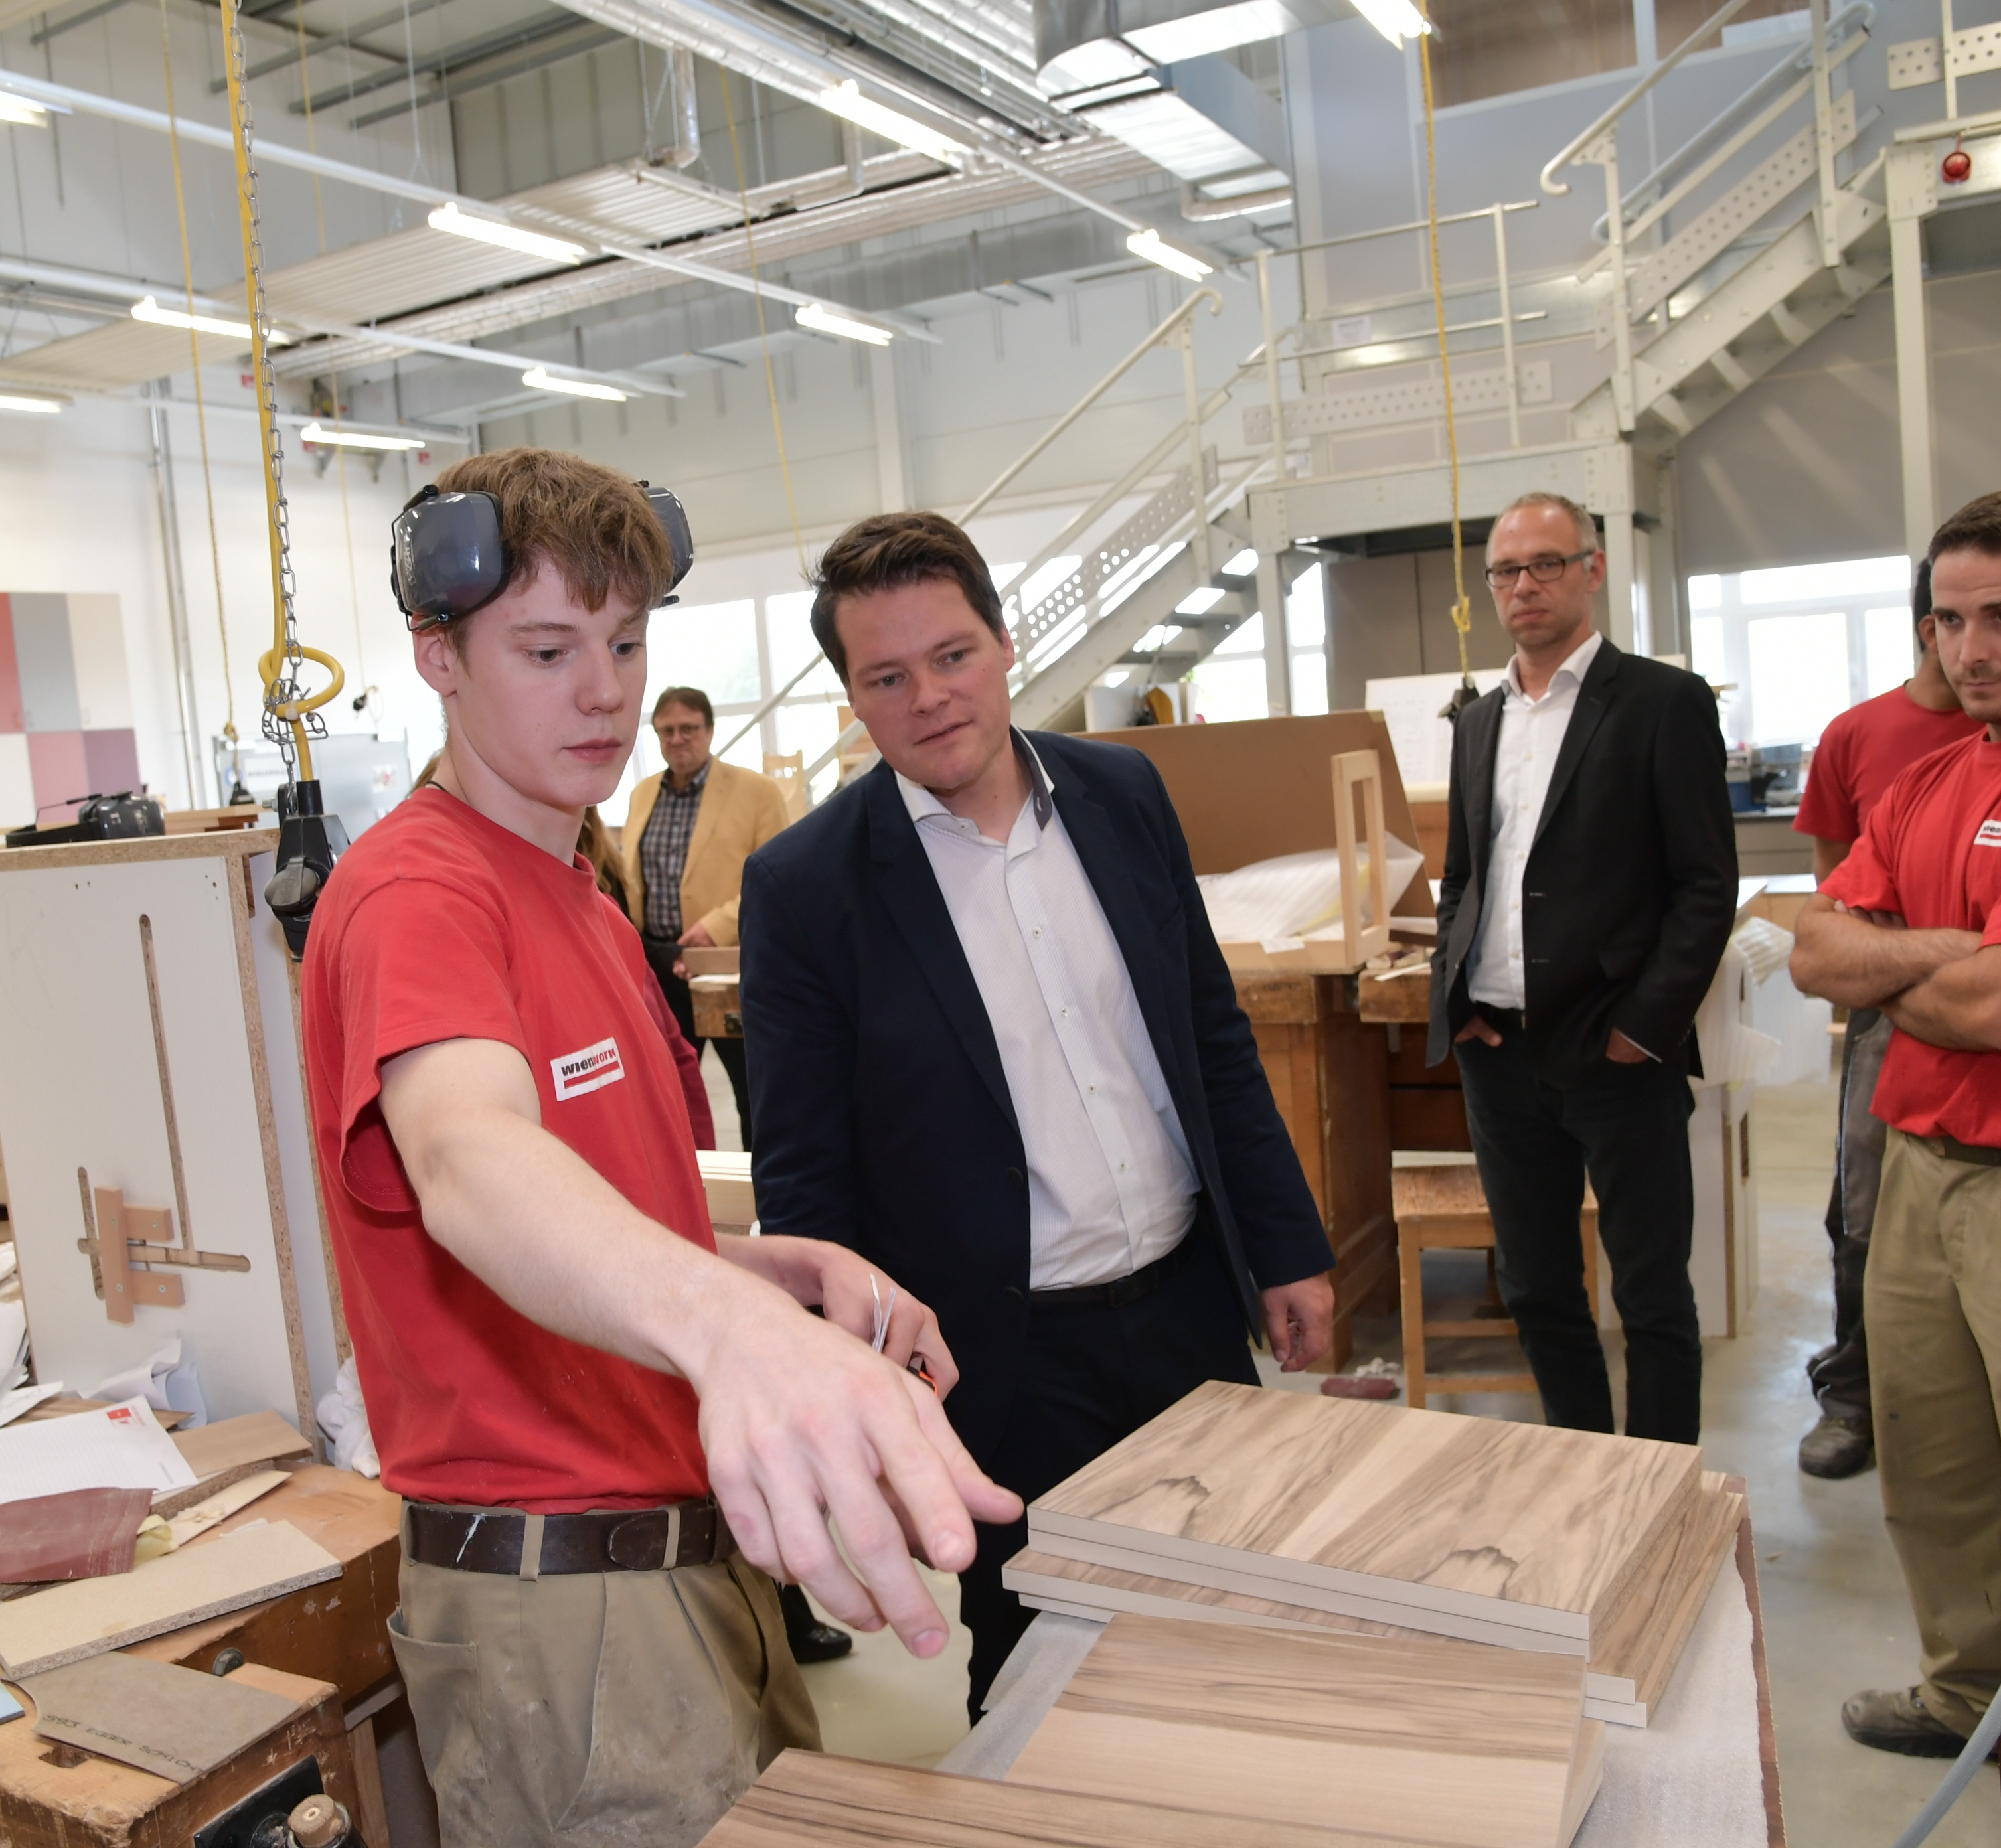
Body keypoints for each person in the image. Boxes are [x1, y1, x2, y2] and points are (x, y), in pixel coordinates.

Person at [300, 451, 1018, 1848]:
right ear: (437, 658)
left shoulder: (576, 884)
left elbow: (597, 1213)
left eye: (626, 643)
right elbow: (466, 1157)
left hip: (686, 1565)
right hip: (566, 1610)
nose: (605, 691)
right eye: (548, 649)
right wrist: (732, 1336)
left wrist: (752, 1273)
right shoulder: (418, 892)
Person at [736, 510, 1336, 1719]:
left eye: (953, 655)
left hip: (1187, 1314)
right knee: (1033, 1677)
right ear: (852, 697)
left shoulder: (1123, 794)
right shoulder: (807, 886)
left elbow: (1211, 1037)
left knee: (1223, 1635)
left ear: (1006, 645)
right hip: (1002, 1360)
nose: (930, 698)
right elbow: (803, 1173)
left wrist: (1285, 1243)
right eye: (886, 676)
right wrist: (870, 1387)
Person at [1789, 485, 2001, 1758]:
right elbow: (1814, 952)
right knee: (1933, 1455)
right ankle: (1967, 1689)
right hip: (1912, 1171)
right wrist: (1964, 951)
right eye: (1949, 620)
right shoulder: (1922, 779)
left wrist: (1910, 969)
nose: (1971, 649)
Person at [1427, 491, 1739, 1445]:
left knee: (1650, 1293)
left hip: (1617, 1054)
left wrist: (1643, 1029)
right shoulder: (1478, 721)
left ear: (1592, 570)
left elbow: (1703, 886)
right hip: (1502, 1052)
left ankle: (1659, 1486)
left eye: (1547, 565)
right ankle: (1584, 1467)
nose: (1525, 586)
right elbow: (1463, 877)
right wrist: (1459, 1002)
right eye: (1507, 572)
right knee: (1536, 1286)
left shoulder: (1660, 704)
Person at [1788, 561, 1979, 1479]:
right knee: (1863, 1215)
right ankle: (1858, 1400)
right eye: (1954, 621)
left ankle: (1965, 1398)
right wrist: (1920, 961)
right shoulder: (1860, 737)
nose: (1976, 647)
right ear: (1925, 628)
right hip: (1885, 1016)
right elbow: (1838, 906)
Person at [619, 687, 789, 1147]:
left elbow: (781, 879)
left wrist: (715, 928)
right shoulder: (640, 794)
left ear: (710, 731)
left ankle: (764, 1199)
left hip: (728, 969)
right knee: (669, 1093)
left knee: (755, 1096)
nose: (678, 739)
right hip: (657, 967)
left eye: (689, 728)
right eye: (666, 731)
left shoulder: (757, 792)